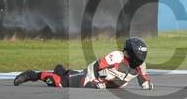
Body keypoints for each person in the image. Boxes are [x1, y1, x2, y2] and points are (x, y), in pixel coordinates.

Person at [13, 37, 154, 90]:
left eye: (128, 51)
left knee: (65, 74)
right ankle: (32, 75)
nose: (125, 52)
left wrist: (146, 84)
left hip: (105, 85)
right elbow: (98, 65)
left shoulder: (140, 65)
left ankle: (61, 69)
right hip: (89, 77)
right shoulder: (117, 56)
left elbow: (143, 77)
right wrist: (94, 80)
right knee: (59, 82)